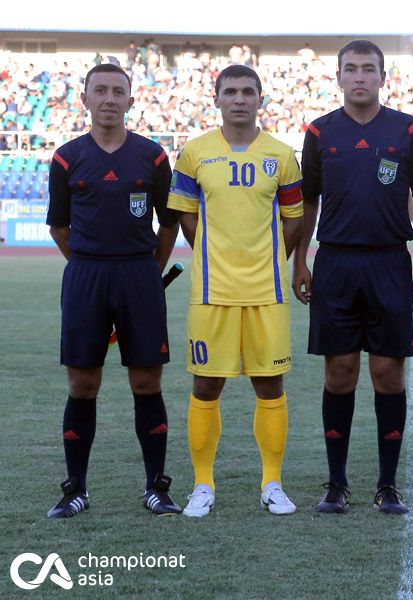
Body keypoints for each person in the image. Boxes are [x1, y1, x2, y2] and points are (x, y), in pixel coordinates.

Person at [293, 39, 413, 515]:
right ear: (338, 77)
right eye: (350, 69)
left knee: (388, 374)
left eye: (367, 69)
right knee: (340, 373)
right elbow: (307, 202)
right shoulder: (319, 132)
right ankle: (336, 483)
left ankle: (388, 484)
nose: (359, 76)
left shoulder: (407, 129)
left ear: (382, 77)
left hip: (390, 261)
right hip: (334, 263)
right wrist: (300, 260)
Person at [168, 64, 304, 517]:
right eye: (231, 92)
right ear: (217, 98)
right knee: (206, 385)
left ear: (261, 98)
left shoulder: (282, 155)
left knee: (270, 384)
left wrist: (266, 261)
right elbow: (187, 216)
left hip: (267, 292)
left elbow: (295, 220)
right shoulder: (194, 153)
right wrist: (214, 255)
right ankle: (203, 485)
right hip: (211, 292)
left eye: (248, 91)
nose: (240, 99)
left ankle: (272, 483)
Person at [46, 63, 181, 517]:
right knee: (83, 383)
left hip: (139, 276)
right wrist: (89, 266)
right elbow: (60, 227)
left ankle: (156, 487)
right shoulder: (66, 157)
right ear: (84, 98)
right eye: (99, 90)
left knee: (146, 381)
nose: (108, 98)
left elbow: (169, 223)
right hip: (86, 277)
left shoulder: (153, 157)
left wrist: (147, 271)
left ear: (130, 99)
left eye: (117, 91)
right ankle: (75, 490)